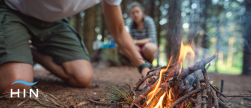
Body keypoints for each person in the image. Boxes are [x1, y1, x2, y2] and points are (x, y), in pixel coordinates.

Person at [0, 0, 151, 94]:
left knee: (82, 77)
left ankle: (30, 51)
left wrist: (143, 65)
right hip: (13, 9)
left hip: (53, 22)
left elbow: (118, 31)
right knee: (15, 85)